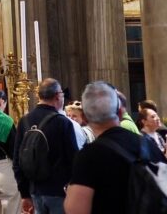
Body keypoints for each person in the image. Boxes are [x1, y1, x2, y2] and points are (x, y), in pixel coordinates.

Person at [64, 82, 166, 214]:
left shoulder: (88, 156)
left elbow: (76, 209)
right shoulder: (147, 144)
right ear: (120, 112)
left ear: (84, 117)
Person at [13, 78, 79, 214]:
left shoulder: (24, 121)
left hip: (34, 190)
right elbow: (74, 159)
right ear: (57, 96)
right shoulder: (62, 122)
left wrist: (24, 194)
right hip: (59, 191)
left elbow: (17, 161)